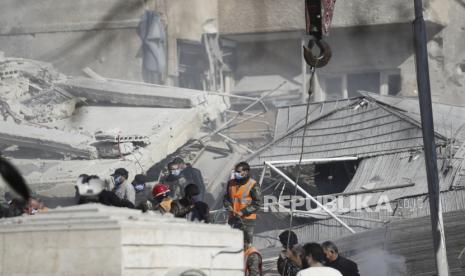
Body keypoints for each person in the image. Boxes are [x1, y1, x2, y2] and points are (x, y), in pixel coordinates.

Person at [223, 161, 261, 243]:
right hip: (233, 218)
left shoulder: (253, 184)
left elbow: (257, 203)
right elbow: (226, 197)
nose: (236, 173)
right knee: (232, 243)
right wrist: (228, 206)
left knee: (246, 244)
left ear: (246, 172)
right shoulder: (231, 183)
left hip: (247, 220)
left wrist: (242, 212)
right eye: (235, 171)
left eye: (238, 171)